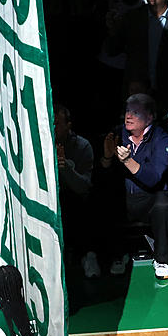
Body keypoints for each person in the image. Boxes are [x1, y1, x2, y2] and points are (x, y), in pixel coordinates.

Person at [98, 94, 168, 281]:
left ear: (149, 117)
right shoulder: (118, 134)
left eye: (135, 112)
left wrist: (128, 161)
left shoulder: (161, 139)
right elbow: (102, 173)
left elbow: (154, 178)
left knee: (163, 203)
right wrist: (108, 157)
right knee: (104, 196)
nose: (128, 116)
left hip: (150, 200)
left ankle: (161, 260)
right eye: (127, 111)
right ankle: (114, 256)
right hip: (126, 199)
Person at [53, 106, 96, 277]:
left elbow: (84, 185)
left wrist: (65, 168)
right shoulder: (40, 145)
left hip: (75, 199)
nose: (53, 127)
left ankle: (89, 256)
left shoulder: (82, 146)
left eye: (57, 123)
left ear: (68, 125)